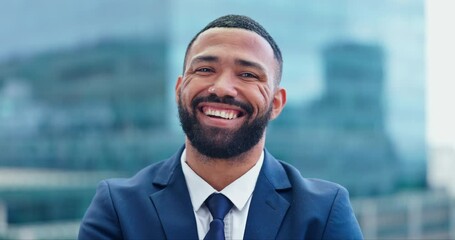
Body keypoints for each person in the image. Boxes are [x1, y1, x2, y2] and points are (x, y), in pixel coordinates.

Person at [78, 14, 363, 240]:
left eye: (248, 74)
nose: (223, 88)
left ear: (276, 103)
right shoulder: (118, 208)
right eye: (204, 69)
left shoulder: (323, 212)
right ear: (179, 90)